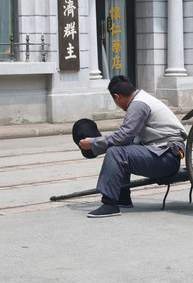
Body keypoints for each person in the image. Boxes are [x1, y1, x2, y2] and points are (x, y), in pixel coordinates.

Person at [79, 75, 187, 218]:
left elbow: (123, 135)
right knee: (125, 146)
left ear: (117, 97)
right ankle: (122, 198)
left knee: (116, 152)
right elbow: (126, 137)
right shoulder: (142, 99)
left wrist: (93, 143)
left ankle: (109, 204)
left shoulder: (138, 104)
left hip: (167, 159)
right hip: (166, 154)